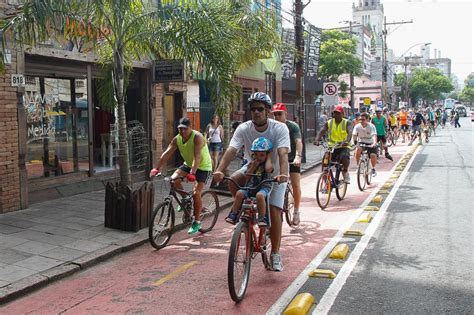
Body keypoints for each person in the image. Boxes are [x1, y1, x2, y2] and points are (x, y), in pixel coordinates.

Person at [213, 92, 289, 272]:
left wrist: (284, 174)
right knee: (233, 181)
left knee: (275, 211)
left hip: (274, 174)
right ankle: (246, 212)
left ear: (268, 111)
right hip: (252, 170)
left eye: (260, 109)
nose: (256, 112)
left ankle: (275, 254)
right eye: (253, 109)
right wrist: (219, 170)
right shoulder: (244, 128)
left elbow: (283, 153)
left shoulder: (279, 128)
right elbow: (231, 150)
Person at [150, 117, 212, 235]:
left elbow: (197, 156)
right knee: (173, 180)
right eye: (180, 129)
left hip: (203, 167)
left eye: (185, 129)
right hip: (188, 164)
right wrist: (156, 168)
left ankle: (197, 221)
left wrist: (192, 173)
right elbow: (166, 154)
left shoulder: (197, 137)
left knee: (196, 193)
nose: (182, 131)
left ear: (190, 128)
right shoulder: (177, 139)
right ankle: (186, 201)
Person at [225, 137, 274, 227]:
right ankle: (233, 214)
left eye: (262, 155)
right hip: (251, 187)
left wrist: (269, 156)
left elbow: (268, 169)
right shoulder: (251, 163)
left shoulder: (268, 164)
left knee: (259, 196)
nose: (258, 157)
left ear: (267, 155)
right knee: (239, 193)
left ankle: (262, 218)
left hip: (263, 187)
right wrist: (253, 167)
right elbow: (247, 176)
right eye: (256, 154)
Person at [272, 103, 303, 226]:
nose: (277, 117)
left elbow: (298, 142)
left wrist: (298, 156)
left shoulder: (293, 126)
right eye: (275, 114)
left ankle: (296, 211)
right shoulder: (272, 127)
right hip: (277, 160)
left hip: (291, 159)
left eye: (280, 114)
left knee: (295, 184)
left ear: (286, 114)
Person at [314, 104, 352, 183]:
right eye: (335, 113)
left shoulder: (347, 122)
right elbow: (321, 131)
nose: (336, 115)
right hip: (331, 146)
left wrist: (346, 141)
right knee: (325, 162)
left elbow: (350, 132)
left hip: (343, 146)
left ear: (343, 114)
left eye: (338, 113)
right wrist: (317, 140)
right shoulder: (329, 122)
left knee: (344, 157)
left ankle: (345, 172)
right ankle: (325, 182)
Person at [353, 112, 378, 177]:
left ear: (367, 119)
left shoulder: (371, 126)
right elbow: (354, 135)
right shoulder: (357, 126)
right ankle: (358, 166)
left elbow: (374, 135)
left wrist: (374, 143)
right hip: (362, 142)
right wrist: (355, 142)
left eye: (363, 119)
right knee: (357, 150)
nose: (361, 121)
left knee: (373, 155)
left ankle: (373, 169)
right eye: (360, 119)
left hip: (371, 143)